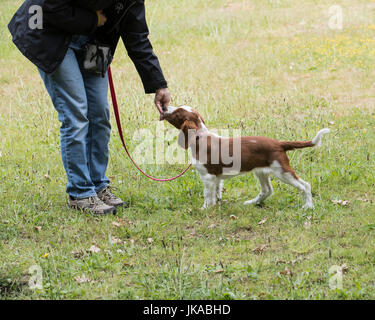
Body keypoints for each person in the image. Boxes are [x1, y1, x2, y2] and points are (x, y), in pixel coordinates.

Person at [8, 0, 170, 215]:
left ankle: (97, 185)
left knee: (99, 114)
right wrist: (92, 19)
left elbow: (137, 37)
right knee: (76, 114)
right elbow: (50, 6)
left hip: (94, 43)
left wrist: (158, 84)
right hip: (52, 36)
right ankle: (80, 193)